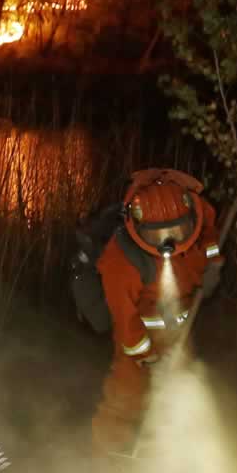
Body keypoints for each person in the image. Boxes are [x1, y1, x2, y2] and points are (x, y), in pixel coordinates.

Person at [91, 168, 225, 455]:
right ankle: (107, 459)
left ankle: (177, 450)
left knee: (182, 381)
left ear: (189, 219)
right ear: (139, 228)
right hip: (140, 328)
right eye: (159, 234)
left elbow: (211, 238)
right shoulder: (120, 261)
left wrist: (214, 264)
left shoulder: (200, 214)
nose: (169, 241)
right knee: (127, 393)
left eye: (177, 231)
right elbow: (125, 321)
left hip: (179, 324)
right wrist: (145, 357)